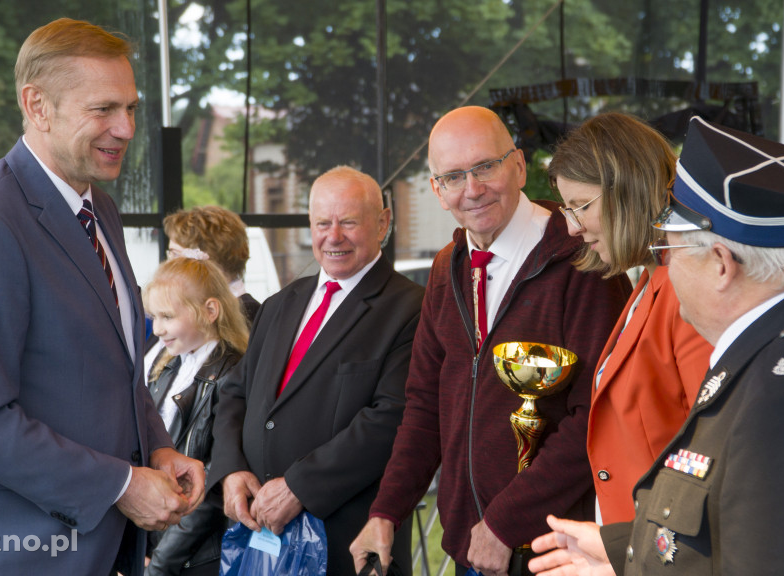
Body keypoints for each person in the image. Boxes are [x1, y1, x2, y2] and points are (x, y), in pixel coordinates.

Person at [528, 117, 784, 575]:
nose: (667, 266)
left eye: (675, 249)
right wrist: (626, 551)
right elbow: (730, 527)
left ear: (721, 264)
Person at [0, 18, 203, 575]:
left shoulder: (100, 210)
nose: (126, 128)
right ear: (37, 106)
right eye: (103, 109)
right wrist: (120, 484)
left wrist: (157, 447)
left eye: (132, 108)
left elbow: (113, 368)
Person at [351, 106, 631, 576]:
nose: (473, 189)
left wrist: (504, 523)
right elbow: (424, 407)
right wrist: (386, 513)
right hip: (470, 549)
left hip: (556, 551)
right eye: (454, 176)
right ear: (437, 191)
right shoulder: (448, 268)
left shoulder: (584, 259)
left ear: (519, 166)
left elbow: (597, 418)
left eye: (485, 167)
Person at [207, 166, 425, 576]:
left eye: (348, 222)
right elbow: (235, 393)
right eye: (323, 223)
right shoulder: (279, 304)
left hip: (347, 545)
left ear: (383, 222)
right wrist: (231, 469)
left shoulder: (411, 309)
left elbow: (393, 419)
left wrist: (299, 486)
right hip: (261, 541)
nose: (333, 236)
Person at [547, 113, 712, 524]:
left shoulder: (686, 288)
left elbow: (712, 450)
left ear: (627, 190)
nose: (571, 227)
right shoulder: (654, 277)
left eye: (579, 207)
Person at [142, 256, 249, 576]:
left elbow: (212, 489)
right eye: (154, 317)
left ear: (210, 311)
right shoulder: (170, 363)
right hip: (160, 543)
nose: (157, 329)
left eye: (167, 317)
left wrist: (160, 564)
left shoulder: (234, 374)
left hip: (196, 557)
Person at [163, 205, 261, 324]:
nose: (168, 263)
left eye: (175, 254)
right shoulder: (190, 307)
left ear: (207, 260)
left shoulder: (248, 316)